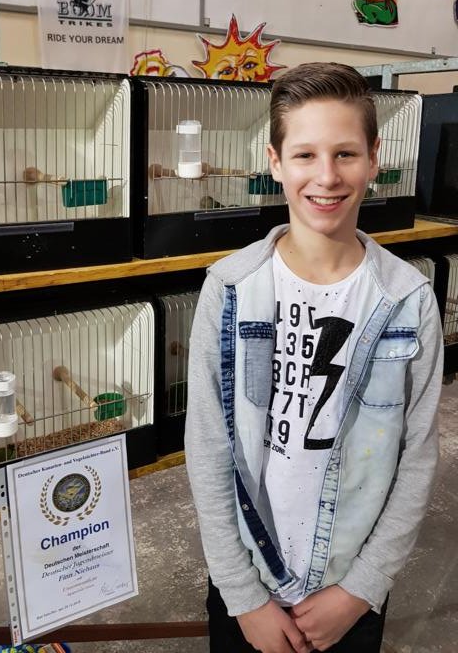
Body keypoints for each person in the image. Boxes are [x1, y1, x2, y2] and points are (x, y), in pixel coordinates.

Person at [185, 62, 443, 653]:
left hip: (349, 588)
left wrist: (362, 588)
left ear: (374, 159)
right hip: (249, 580)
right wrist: (242, 594)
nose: (326, 176)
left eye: (345, 154)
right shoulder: (229, 288)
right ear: (275, 161)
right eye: (305, 155)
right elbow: (208, 448)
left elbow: (417, 456)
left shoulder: (408, 300)